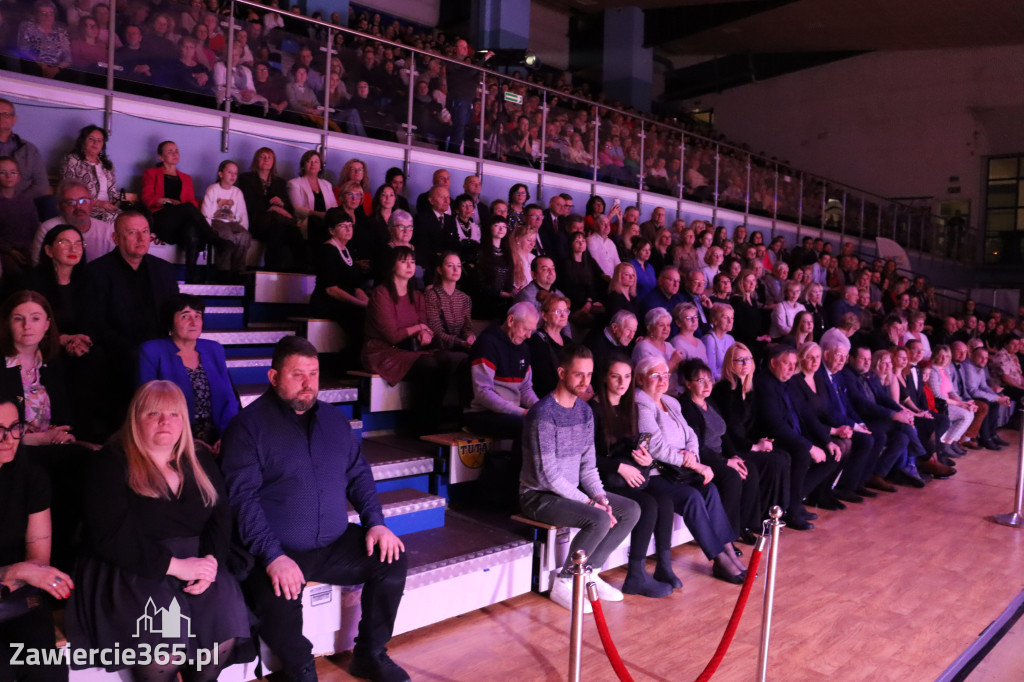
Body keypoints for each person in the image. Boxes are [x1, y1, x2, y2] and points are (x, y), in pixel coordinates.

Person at [222, 337, 409, 682]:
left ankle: (370, 654)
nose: (308, 383)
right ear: (274, 377)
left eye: (314, 373)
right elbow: (241, 501)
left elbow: (358, 473)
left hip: (333, 542)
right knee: (275, 600)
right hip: (278, 550)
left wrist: (376, 523)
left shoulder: (335, 422)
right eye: (297, 375)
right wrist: (272, 556)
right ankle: (300, 666)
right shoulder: (247, 428)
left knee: (392, 559)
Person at [67, 381, 248, 681]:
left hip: (197, 560)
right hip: (131, 565)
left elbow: (221, 516)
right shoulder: (110, 463)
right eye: (153, 413)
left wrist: (211, 563)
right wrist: (175, 566)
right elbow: (110, 535)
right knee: (164, 650)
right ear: (135, 419)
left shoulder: (199, 460)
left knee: (220, 633)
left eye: (174, 414)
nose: (165, 421)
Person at [519, 344, 641, 610]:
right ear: (562, 373)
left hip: (571, 492)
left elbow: (587, 466)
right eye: (578, 375)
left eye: (589, 375)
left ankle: (589, 573)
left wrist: (599, 496)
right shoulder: (543, 413)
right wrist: (591, 504)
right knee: (597, 517)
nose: (586, 382)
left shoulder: (585, 412)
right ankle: (565, 581)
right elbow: (548, 475)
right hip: (538, 496)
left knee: (630, 509)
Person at [634, 357, 748, 584]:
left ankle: (727, 548)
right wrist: (693, 463)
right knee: (693, 497)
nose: (662, 381)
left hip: (680, 471)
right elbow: (655, 447)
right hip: (657, 474)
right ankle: (718, 559)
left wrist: (692, 454)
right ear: (640, 379)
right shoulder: (641, 403)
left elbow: (691, 435)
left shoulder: (671, 402)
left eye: (665, 376)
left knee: (711, 490)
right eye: (655, 376)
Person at [589, 357, 675, 597]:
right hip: (600, 479)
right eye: (616, 376)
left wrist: (646, 459)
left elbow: (634, 448)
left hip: (628, 475)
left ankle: (663, 565)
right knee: (646, 504)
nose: (622, 382)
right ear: (605, 377)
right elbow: (587, 458)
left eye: (627, 376)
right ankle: (635, 574)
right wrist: (618, 467)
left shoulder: (631, 408)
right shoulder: (593, 409)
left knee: (664, 500)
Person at [0, 397, 72, 682]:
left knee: (47, 669)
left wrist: (20, 576)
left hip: (18, 596)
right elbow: (29, 570)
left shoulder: (31, 477)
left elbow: (39, 561)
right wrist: (15, 571)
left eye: (14, 427)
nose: (8, 439)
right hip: (18, 579)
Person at [88, 211, 179, 422]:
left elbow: (174, 314)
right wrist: (132, 351)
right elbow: (95, 323)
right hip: (117, 354)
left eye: (145, 231)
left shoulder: (164, 270)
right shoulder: (97, 272)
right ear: (116, 239)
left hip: (159, 350)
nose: (141, 238)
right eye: (132, 232)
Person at [362, 247, 457, 435]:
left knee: (446, 360)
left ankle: (432, 423)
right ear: (392, 265)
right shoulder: (381, 294)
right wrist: (419, 329)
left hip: (406, 349)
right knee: (428, 364)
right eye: (404, 261)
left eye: (412, 262)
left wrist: (425, 333)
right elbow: (392, 335)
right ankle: (419, 427)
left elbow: (424, 323)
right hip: (382, 351)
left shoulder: (417, 295)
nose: (409, 266)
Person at [679, 359, 774, 543]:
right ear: (688, 384)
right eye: (701, 381)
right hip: (701, 459)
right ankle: (725, 537)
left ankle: (743, 525)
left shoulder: (710, 402)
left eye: (709, 380)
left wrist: (733, 455)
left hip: (720, 455)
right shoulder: (686, 407)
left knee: (750, 469)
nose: (707, 384)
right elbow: (697, 446)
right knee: (731, 476)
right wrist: (725, 462)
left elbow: (724, 434)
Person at [137, 294, 239, 454]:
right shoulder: (151, 351)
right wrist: (185, 440)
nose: (193, 322)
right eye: (185, 316)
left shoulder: (214, 349)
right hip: (172, 438)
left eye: (197, 316)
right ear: (169, 321)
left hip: (218, 436)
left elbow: (229, 399)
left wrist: (227, 436)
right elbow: (147, 404)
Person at [753, 344, 840, 530]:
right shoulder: (764, 383)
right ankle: (791, 510)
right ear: (773, 363)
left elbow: (807, 414)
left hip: (793, 433)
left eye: (794, 364)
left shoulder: (790, 382)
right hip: (771, 437)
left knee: (831, 453)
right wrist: (809, 446)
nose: (792, 368)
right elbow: (775, 425)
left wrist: (827, 441)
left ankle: (795, 500)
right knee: (801, 451)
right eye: (787, 363)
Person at [710, 343, 792, 527]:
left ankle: (774, 512)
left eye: (748, 359)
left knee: (783, 455)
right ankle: (752, 520)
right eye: (739, 360)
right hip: (731, 448)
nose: (745, 363)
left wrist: (761, 440)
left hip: (746, 443)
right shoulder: (724, 390)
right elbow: (729, 429)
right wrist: (754, 447)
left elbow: (751, 425)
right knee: (773, 461)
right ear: (730, 364)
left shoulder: (748, 389)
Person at [141, 140, 216, 283]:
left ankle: (191, 276)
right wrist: (167, 200)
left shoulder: (186, 178)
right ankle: (213, 238)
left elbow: (192, 203)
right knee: (187, 208)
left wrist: (180, 206)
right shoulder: (151, 173)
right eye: (170, 151)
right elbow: (147, 198)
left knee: (191, 228)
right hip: (161, 219)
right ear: (160, 157)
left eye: (176, 151)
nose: (175, 154)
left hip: (180, 222)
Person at [236, 147, 304, 271]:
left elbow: (289, 209)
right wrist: (271, 207)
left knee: (292, 232)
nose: (266, 160)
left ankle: (299, 272)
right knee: (278, 229)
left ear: (274, 162)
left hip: (277, 222)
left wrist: (282, 204)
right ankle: (271, 271)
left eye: (270, 157)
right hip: (256, 221)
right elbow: (247, 203)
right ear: (256, 160)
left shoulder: (280, 182)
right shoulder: (246, 179)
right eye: (263, 157)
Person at [58, 125, 120, 223]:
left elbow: (113, 191)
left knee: (129, 219)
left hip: (107, 208)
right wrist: (98, 203)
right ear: (82, 141)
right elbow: (69, 190)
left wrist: (115, 202)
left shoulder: (107, 165)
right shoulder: (72, 160)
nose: (96, 143)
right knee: (111, 217)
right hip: (83, 207)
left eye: (100, 141)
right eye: (91, 139)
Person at [200, 159, 253, 277]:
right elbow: (206, 212)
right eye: (229, 172)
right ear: (220, 174)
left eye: (235, 173)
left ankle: (237, 272)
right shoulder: (213, 189)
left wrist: (243, 230)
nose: (233, 176)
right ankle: (224, 272)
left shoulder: (237, 192)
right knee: (227, 237)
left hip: (232, 223)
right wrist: (208, 231)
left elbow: (242, 214)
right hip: (216, 222)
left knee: (243, 237)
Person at [0, 156, 41, 288]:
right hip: (5, 251)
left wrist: (32, 249)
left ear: (18, 177)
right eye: (2, 172)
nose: (8, 176)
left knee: (37, 270)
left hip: (27, 248)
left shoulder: (26, 201)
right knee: (15, 274)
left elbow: (35, 227)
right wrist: (10, 251)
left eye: (13, 172)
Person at [424, 251, 475, 352]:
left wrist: (470, 337)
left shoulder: (465, 298)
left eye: (459, 266)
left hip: (461, 346)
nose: (456, 270)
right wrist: (460, 342)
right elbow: (436, 331)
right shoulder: (432, 295)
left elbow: (467, 328)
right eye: (450, 266)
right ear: (440, 270)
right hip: (439, 347)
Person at [0, 98, 50, 201]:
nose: (0, 117)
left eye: (5, 114)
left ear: (14, 120)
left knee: (49, 202)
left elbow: (41, 184)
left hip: (22, 203)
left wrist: (18, 201)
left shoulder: (29, 150)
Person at [286, 149, 337, 248]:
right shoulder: (294, 183)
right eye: (309, 161)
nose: (313, 164)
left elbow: (334, 207)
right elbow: (297, 209)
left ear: (320, 167)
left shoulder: (327, 185)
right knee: (315, 221)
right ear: (303, 166)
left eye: (316, 161)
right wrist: (318, 214)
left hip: (326, 222)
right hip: (306, 222)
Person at [526, 294, 571, 398]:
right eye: (558, 311)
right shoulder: (536, 342)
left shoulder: (568, 342)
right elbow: (543, 381)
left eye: (566, 311)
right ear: (544, 316)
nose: (563, 315)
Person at [474, 215, 515, 319]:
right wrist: (502, 293)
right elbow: (480, 283)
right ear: (489, 228)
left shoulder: (507, 252)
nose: (501, 229)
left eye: (504, 226)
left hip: (506, 300)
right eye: (497, 225)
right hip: (487, 302)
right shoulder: (481, 253)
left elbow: (509, 277)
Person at [702, 303, 736, 381]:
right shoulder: (709, 340)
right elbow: (711, 373)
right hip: (717, 384)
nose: (730, 321)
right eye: (725, 317)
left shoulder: (730, 339)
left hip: (729, 381)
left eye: (732, 318)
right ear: (715, 320)